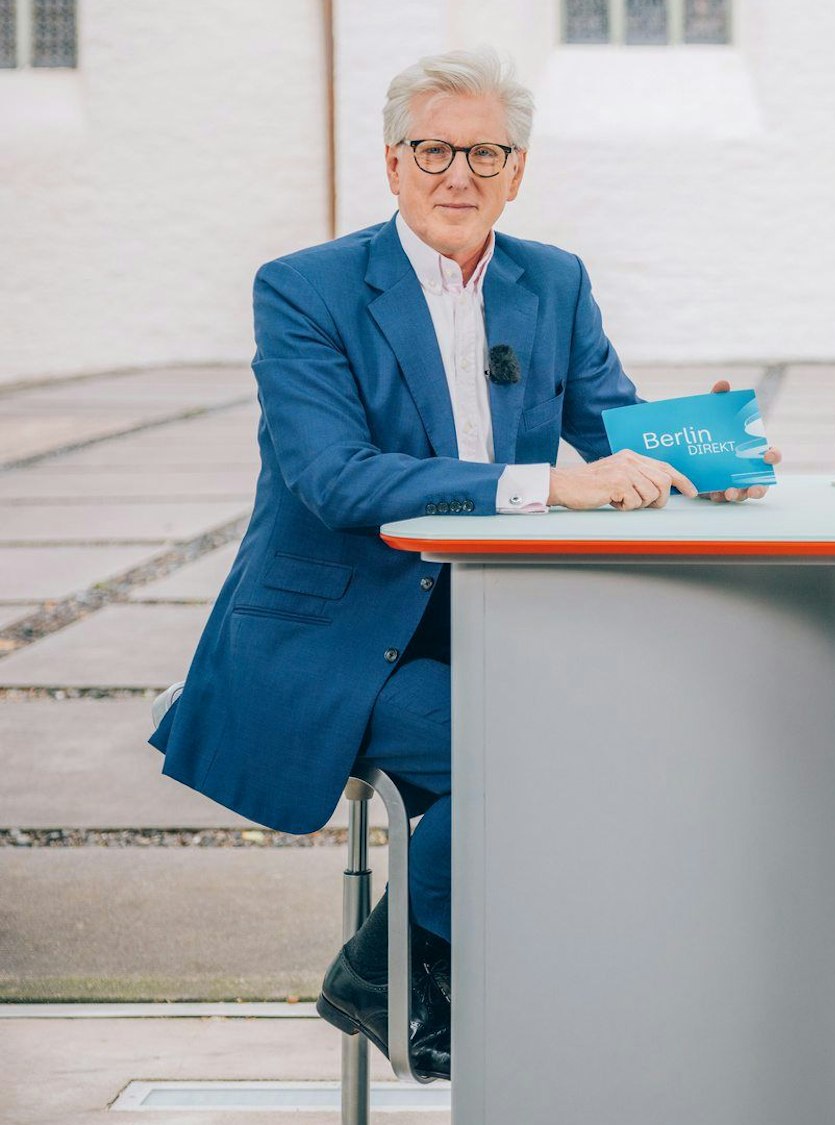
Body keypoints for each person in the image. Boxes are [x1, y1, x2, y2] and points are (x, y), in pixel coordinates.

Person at [146, 47, 779, 1079]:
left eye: (486, 152)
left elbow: (607, 423)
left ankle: (391, 967)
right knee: (540, 764)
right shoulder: (305, 290)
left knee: (635, 735)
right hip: (340, 642)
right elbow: (335, 479)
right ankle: (409, 967)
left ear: (516, 170)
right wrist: (538, 487)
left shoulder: (551, 281)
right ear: (392, 162)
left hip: (492, 625)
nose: (459, 174)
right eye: (434, 149)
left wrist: (713, 458)